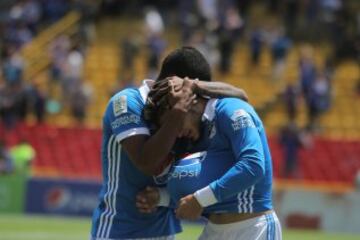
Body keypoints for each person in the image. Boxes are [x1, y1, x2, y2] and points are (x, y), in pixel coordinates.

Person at [90, 46, 249, 240]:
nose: (197, 105)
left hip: (165, 232)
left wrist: (195, 87)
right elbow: (147, 162)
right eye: (193, 98)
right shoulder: (127, 102)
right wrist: (179, 110)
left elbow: (241, 96)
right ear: (174, 88)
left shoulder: (185, 119)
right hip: (118, 229)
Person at [136, 81, 281, 239]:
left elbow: (253, 165)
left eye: (173, 124)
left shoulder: (231, 109)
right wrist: (161, 197)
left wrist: (199, 200)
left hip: (252, 229)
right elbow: (208, 189)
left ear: (187, 104)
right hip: (214, 231)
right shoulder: (201, 131)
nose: (176, 134)